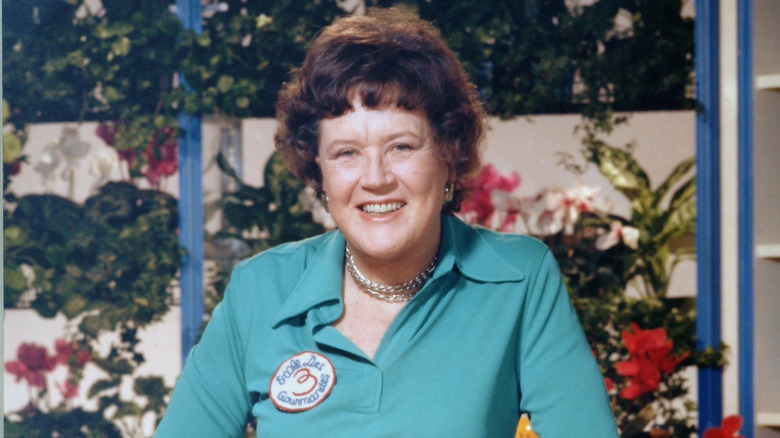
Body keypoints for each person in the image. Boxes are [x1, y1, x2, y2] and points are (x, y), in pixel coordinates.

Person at [155, 7, 618, 437]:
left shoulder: (519, 279)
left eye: (401, 146)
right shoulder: (259, 291)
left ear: (448, 156)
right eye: (347, 153)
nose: (375, 179)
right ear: (318, 169)